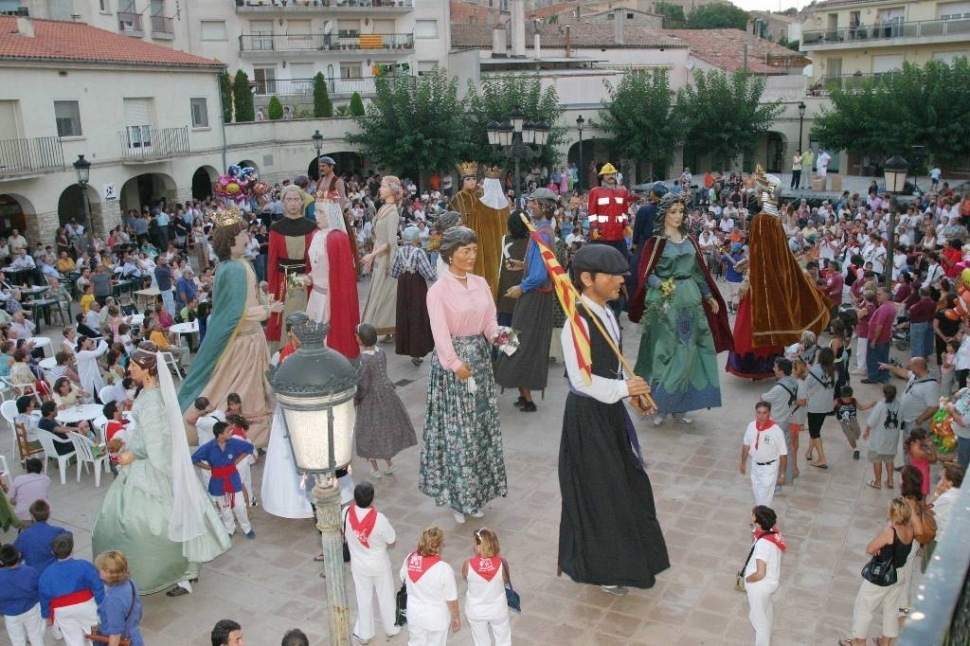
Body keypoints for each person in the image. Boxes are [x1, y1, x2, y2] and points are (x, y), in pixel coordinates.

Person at [559, 244, 669, 596]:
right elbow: (582, 381)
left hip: (610, 414)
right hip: (587, 419)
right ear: (587, 278)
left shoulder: (606, 313)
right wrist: (623, 387)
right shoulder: (576, 322)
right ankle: (604, 569)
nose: (621, 280)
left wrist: (630, 394)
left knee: (628, 486)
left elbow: (614, 365)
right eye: (613, 275)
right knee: (601, 493)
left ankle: (633, 559)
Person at [92, 343, 231, 598]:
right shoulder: (148, 394)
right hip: (142, 462)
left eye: (133, 365)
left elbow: (156, 442)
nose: (129, 368)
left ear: (147, 369)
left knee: (154, 520)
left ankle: (180, 570)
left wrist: (133, 454)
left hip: (150, 466)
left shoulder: (152, 400)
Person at [420, 227, 507, 525]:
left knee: (479, 429)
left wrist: (505, 339)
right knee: (459, 433)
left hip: (480, 362)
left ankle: (477, 494)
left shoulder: (480, 283)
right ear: (450, 254)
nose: (471, 256)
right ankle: (458, 498)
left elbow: (490, 323)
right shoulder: (438, 291)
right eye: (465, 250)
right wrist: (454, 363)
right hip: (454, 370)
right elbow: (440, 334)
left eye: (473, 250)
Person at [178, 209, 283, 447]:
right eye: (242, 233)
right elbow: (237, 314)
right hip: (244, 342)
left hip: (252, 337)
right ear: (230, 239)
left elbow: (246, 301)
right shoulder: (234, 269)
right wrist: (268, 310)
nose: (247, 237)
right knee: (244, 387)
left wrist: (263, 297)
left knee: (248, 385)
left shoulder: (239, 264)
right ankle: (248, 434)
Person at [630, 191, 732, 425]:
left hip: (692, 302)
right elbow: (646, 274)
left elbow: (698, 272)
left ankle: (681, 406)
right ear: (664, 214)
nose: (678, 216)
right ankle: (660, 405)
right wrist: (661, 285)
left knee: (690, 354)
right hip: (666, 305)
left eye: (681, 211)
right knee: (664, 353)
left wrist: (708, 295)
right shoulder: (655, 243)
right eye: (673, 211)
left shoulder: (690, 241)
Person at [744, 166, 831, 348]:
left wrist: (749, 277)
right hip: (779, 276)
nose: (756, 196)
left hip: (765, 282)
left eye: (759, 193)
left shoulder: (761, 220)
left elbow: (761, 257)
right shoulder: (775, 219)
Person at [494, 189, 556, 412]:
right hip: (534, 294)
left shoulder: (543, 234)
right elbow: (541, 266)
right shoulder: (542, 231)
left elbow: (539, 274)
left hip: (534, 295)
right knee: (514, 339)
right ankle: (522, 393)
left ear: (545, 207)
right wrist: (523, 266)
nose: (530, 207)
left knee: (518, 342)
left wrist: (521, 287)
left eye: (534, 203)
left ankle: (527, 397)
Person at [260, 314, 314, 521]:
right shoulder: (282, 356)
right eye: (299, 330)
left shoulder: (312, 350)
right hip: (290, 413)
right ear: (290, 332)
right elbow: (276, 389)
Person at [839, 498, 914, 646]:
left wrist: (880, 546)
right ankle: (886, 641)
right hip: (899, 574)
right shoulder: (909, 529)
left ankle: (859, 641)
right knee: (891, 608)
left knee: (864, 606)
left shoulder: (890, 532)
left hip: (883, 575)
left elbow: (870, 548)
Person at [354, 323, 417, 479]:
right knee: (385, 430)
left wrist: (357, 397)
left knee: (370, 432)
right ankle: (390, 464)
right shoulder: (380, 352)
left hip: (371, 400)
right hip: (387, 394)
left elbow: (364, 384)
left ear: (361, 339)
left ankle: (376, 470)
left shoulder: (364, 359)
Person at [305, 192, 360, 359]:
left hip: (331, 297)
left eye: (321, 211)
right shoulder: (315, 235)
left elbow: (343, 277)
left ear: (331, 213)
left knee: (329, 339)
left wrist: (333, 299)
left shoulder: (338, 238)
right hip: (315, 297)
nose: (316, 215)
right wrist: (309, 277)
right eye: (316, 211)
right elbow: (316, 266)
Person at [345, 482, 400, 644]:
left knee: (363, 598)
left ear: (355, 497)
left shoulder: (346, 513)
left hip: (358, 565)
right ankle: (392, 628)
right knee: (386, 595)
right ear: (372, 498)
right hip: (379, 564)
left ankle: (364, 634)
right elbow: (391, 540)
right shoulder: (379, 519)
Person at [266, 184, 317, 348]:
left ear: (302, 202)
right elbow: (272, 262)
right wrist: (272, 290)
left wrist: (311, 278)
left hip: (305, 278)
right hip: (283, 280)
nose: (293, 203)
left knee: (304, 315)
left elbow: (314, 259)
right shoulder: (276, 229)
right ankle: (285, 350)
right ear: (283, 202)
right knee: (285, 317)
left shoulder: (312, 227)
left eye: (296, 199)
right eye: (289, 199)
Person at [192, 421, 256, 539]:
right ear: (220, 435)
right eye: (228, 431)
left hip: (232, 477)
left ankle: (247, 528)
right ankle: (230, 529)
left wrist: (237, 460)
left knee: (240, 506)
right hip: (218, 480)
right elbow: (194, 458)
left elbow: (249, 447)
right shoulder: (208, 447)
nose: (231, 432)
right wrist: (208, 467)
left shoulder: (233, 443)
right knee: (224, 507)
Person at [38, 534, 104, 646]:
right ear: (72, 549)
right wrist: (100, 602)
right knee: (95, 635)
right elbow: (97, 585)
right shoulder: (84, 565)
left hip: (62, 611)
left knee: (73, 640)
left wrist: (46, 614)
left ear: (53, 552)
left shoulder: (46, 574)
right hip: (87, 607)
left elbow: (44, 597)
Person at [400, 527, 461, 644]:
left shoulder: (410, 559)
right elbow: (451, 599)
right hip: (436, 618)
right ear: (438, 546)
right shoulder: (444, 569)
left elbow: (403, 578)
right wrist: (456, 617)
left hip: (414, 615)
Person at [361, 175, 402, 342]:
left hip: (387, 259)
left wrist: (372, 255)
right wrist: (372, 256)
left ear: (392, 190)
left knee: (386, 294)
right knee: (379, 292)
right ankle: (385, 329)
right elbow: (379, 238)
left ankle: (388, 328)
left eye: (384, 186)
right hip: (379, 256)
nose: (380, 189)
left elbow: (391, 242)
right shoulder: (383, 208)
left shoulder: (392, 213)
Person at [390, 226, 436, 366]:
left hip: (403, 286)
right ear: (416, 238)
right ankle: (418, 350)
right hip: (416, 286)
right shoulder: (419, 252)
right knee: (418, 315)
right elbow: (428, 274)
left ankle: (406, 347)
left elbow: (393, 272)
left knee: (404, 315)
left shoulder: (399, 251)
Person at [743, 506, 787, 646]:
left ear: (758, 521)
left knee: (758, 619)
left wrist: (748, 579)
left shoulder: (763, 545)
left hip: (759, 586)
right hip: (770, 582)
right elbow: (756, 533)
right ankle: (767, 635)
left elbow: (760, 573)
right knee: (766, 609)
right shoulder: (773, 531)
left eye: (753, 515)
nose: (750, 515)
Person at [461, 527, 512, 646]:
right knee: (503, 640)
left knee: (481, 641)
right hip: (498, 609)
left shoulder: (467, 564)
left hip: (475, 610)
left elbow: (465, 575)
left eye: (475, 543)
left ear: (480, 545)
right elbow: (505, 580)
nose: (473, 546)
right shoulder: (502, 562)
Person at [740, 401, 788, 507]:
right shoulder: (751, 426)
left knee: (763, 497)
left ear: (769, 413)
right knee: (757, 493)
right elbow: (746, 445)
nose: (761, 416)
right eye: (759, 413)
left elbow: (783, 454)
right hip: (755, 465)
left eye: (764, 413)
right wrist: (743, 463)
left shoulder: (776, 431)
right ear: (755, 413)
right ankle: (761, 514)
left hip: (769, 468)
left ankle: (760, 515)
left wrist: (782, 474)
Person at [93, 550, 144, 646]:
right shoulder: (131, 582)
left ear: (109, 574)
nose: (99, 574)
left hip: (122, 640)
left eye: (101, 571)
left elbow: (115, 634)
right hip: (134, 636)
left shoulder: (114, 599)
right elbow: (139, 612)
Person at [0, 543, 46, 646]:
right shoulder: (30, 571)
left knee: (17, 641)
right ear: (19, 555)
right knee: (36, 636)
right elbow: (39, 587)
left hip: (10, 614)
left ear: (1, 561)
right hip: (30, 609)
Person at [585, 162, 630, 257]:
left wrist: (626, 225)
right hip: (601, 235)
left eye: (613, 174)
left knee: (622, 260)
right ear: (602, 176)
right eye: (608, 174)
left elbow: (624, 212)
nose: (611, 176)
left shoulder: (623, 191)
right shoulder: (595, 192)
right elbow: (592, 213)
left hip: (617, 234)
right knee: (601, 262)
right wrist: (594, 228)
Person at [14, 501, 70, 575]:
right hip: (55, 571)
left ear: (32, 516)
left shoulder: (23, 536)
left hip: (35, 575)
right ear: (49, 514)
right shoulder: (57, 531)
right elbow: (69, 538)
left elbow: (14, 556)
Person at [863, 384, 902, 489]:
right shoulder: (899, 405)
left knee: (877, 460)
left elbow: (872, 421)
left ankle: (877, 482)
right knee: (889, 459)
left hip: (879, 439)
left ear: (884, 393)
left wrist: (866, 430)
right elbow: (901, 419)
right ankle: (890, 481)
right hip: (892, 439)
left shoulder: (880, 405)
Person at [804, 347, 838, 469]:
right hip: (826, 405)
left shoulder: (816, 369)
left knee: (814, 432)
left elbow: (807, 385)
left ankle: (822, 458)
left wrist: (809, 371)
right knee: (816, 429)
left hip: (815, 405)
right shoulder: (834, 371)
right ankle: (809, 452)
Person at [7, 458, 50, 524]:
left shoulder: (18, 479)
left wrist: (18, 502)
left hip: (23, 517)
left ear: (26, 469)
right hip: (41, 516)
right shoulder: (46, 479)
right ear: (41, 468)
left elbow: (11, 500)